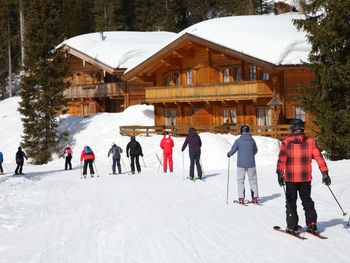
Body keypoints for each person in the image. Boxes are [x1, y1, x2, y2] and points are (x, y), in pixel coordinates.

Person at [276, 119, 331, 235]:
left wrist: (279, 173)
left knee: (291, 201)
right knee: (306, 200)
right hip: (305, 178)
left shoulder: (286, 142)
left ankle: (292, 226)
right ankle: (312, 224)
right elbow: (319, 157)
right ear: (302, 128)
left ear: (292, 128)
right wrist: (324, 173)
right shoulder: (310, 141)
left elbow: (281, 159)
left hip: (291, 178)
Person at [227, 124, 259, 204]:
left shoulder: (238, 140)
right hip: (251, 163)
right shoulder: (252, 140)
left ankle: (241, 198)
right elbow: (255, 150)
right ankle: (255, 198)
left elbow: (233, 150)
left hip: (241, 164)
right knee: (253, 180)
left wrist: (229, 154)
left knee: (240, 180)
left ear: (241, 131)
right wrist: (250, 155)